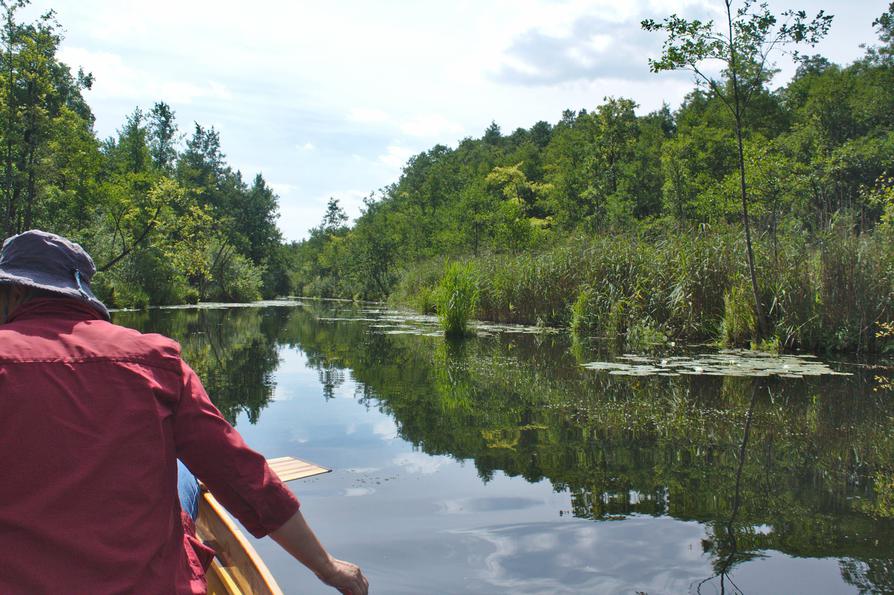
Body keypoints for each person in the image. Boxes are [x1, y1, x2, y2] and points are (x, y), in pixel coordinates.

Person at [0, 230, 369, 595]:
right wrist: (327, 567)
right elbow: (241, 476)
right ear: (79, 293)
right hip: (150, 586)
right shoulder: (154, 360)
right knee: (182, 469)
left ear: (15, 292)